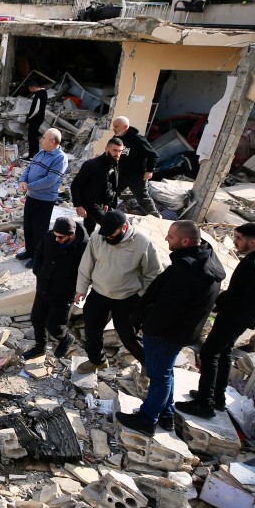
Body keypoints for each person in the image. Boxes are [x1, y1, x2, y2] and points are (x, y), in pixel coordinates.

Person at [116, 221, 225, 435]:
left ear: (185, 241)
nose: (166, 239)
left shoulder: (186, 270)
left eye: (171, 237)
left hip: (166, 333)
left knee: (159, 377)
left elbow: (167, 307)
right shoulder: (207, 260)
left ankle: (147, 419)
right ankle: (166, 414)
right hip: (182, 331)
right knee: (166, 373)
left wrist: (147, 327)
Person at [176, 222, 255, 418]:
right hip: (240, 317)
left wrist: (224, 303)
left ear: (252, 242)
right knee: (224, 352)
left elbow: (250, 296)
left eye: (239, 238)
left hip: (234, 316)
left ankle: (205, 403)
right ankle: (217, 397)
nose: (234, 242)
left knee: (209, 354)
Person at [74, 210, 162, 373]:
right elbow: (86, 264)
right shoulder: (97, 237)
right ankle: (97, 361)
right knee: (92, 330)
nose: (107, 237)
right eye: (105, 234)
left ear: (124, 227)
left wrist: (142, 297)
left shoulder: (143, 242)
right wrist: (81, 289)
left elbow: (154, 274)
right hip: (99, 293)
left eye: (111, 234)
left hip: (128, 298)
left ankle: (148, 365)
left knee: (128, 336)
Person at [26, 216, 88, 360]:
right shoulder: (50, 236)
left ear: (71, 235)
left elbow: (87, 271)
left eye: (60, 238)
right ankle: (40, 348)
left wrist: (79, 289)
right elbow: (39, 253)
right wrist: (38, 270)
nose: (56, 240)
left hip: (63, 293)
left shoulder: (84, 247)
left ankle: (66, 339)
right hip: (43, 286)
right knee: (37, 319)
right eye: (55, 236)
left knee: (55, 327)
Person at [16, 130, 67, 265]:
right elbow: (29, 167)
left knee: (40, 230)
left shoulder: (60, 158)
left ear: (52, 142)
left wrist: (28, 186)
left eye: (44, 138)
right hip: (32, 196)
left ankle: (38, 257)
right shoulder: (41, 153)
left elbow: (50, 180)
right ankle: (29, 251)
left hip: (44, 200)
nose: (40, 140)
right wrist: (22, 180)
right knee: (28, 226)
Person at [70, 137, 122, 234]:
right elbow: (75, 185)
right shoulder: (91, 165)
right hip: (90, 204)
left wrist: (107, 202)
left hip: (101, 204)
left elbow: (110, 185)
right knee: (110, 226)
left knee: (88, 230)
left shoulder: (114, 164)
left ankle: (86, 246)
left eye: (120, 151)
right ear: (106, 149)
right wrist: (78, 205)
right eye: (115, 150)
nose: (117, 154)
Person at [112, 116, 159, 215]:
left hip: (136, 174)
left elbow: (153, 155)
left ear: (125, 127)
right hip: (120, 173)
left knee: (142, 197)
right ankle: (106, 212)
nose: (114, 129)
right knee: (111, 192)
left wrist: (149, 170)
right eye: (114, 126)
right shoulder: (116, 138)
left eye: (116, 126)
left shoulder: (138, 139)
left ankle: (155, 216)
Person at [25, 82, 49, 158]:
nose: (29, 90)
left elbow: (36, 109)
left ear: (32, 87)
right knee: (34, 136)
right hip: (40, 117)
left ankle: (31, 155)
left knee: (31, 137)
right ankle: (35, 153)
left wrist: (29, 118)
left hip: (35, 119)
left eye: (29, 88)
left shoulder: (38, 95)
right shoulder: (44, 92)